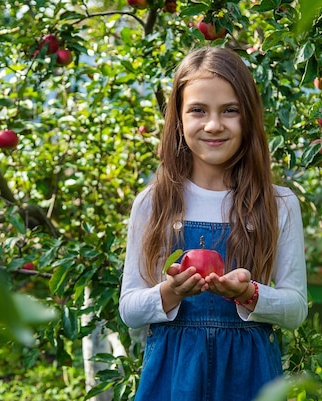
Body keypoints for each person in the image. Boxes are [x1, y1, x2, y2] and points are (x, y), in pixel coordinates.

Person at [119, 46, 308, 401]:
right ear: (178, 119)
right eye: (198, 110)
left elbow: (296, 308)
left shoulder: (278, 204)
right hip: (174, 377)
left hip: (249, 377)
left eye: (230, 111)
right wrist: (171, 291)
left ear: (248, 117)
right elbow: (129, 308)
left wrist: (249, 293)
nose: (213, 125)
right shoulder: (154, 203)